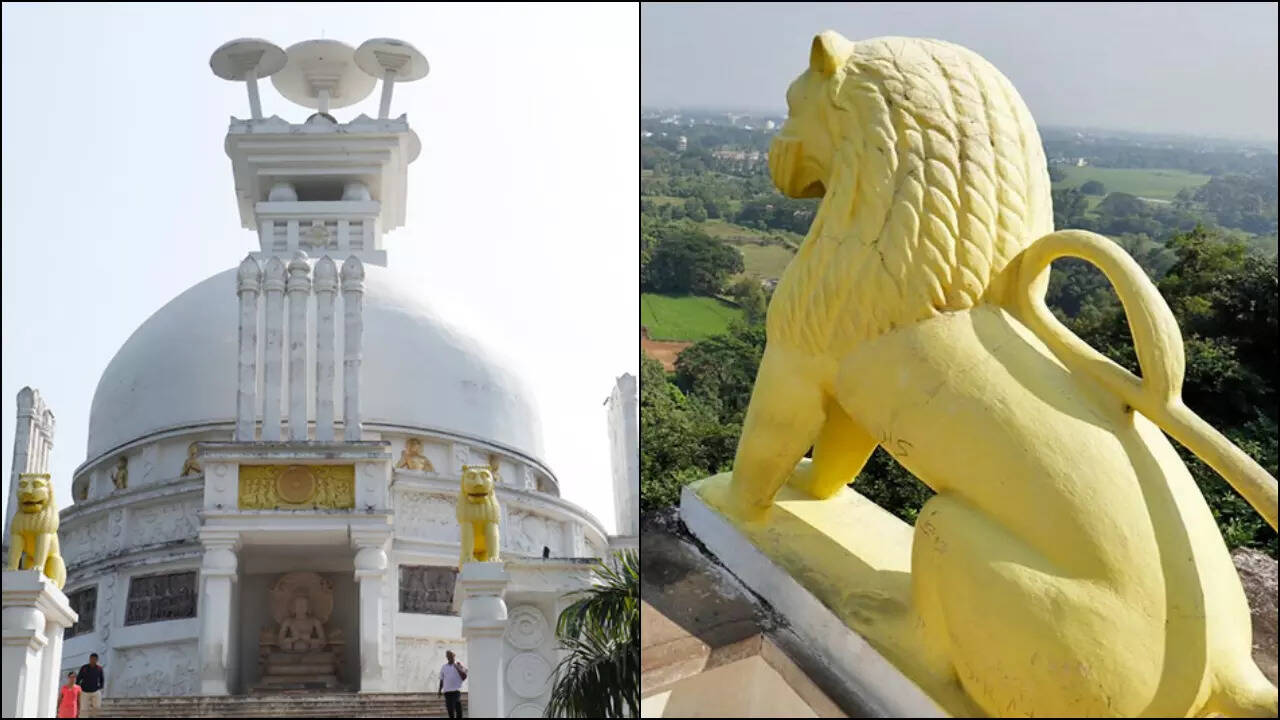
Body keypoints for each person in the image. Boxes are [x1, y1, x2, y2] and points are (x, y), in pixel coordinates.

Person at [438, 650, 467, 719]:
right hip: (447, 692)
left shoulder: (458, 665)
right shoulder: (444, 667)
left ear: (454, 656)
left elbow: (465, 675)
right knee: (450, 709)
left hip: (456, 691)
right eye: (448, 656)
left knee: (457, 706)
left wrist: (458, 667)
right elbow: (441, 679)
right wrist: (439, 690)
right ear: (447, 657)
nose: (450, 657)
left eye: (451, 656)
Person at [76, 653, 105, 718]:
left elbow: (102, 679)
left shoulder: (99, 669)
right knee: (83, 709)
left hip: (95, 691)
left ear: (97, 660)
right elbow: (79, 678)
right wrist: (77, 688)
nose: (92, 660)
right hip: (84, 691)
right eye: (91, 659)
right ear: (89, 659)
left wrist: (100, 687)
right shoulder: (84, 668)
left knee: (97, 706)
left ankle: (92, 716)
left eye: (94, 659)